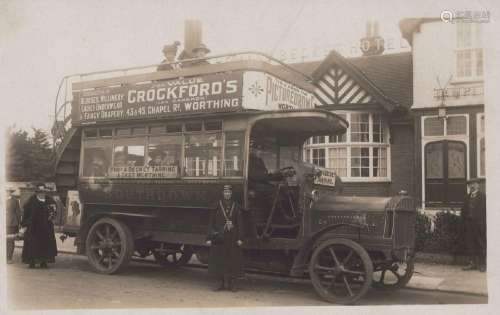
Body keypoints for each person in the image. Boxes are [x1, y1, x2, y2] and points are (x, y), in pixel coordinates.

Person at [206, 185, 245, 291]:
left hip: (232, 237)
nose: (227, 194)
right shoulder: (216, 206)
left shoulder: (236, 206)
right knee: (219, 259)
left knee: (232, 260)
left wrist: (240, 238)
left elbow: (240, 224)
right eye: (225, 192)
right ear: (223, 193)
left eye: (229, 192)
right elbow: (211, 223)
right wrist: (208, 238)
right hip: (220, 237)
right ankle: (221, 284)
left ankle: (232, 284)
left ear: (231, 194)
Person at [20, 183, 58, 268]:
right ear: (37, 192)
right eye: (40, 191)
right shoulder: (31, 201)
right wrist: (24, 224)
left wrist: (52, 216)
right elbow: (26, 213)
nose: (42, 193)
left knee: (45, 244)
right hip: (33, 228)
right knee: (33, 245)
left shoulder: (49, 200)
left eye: (43, 191)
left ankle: (43, 262)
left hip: (46, 227)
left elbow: (54, 211)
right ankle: (32, 262)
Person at [461, 178, 487, 272]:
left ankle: (482, 264)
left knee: (480, 243)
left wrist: (483, 223)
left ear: (478, 185)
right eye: (470, 184)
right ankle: (472, 263)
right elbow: (463, 212)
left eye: (474, 184)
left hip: (479, 224)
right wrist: (464, 223)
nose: (472, 186)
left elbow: (485, 212)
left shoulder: (483, 197)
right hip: (469, 224)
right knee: (470, 243)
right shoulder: (467, 197)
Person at [6, 187, 22, 264]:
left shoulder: (15, 201)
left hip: (11, 223)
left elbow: (18, 212)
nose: (6, 193)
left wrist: (19, 223)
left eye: (8, 191)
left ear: (10, 192)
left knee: (10, 240)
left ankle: (9, 257)